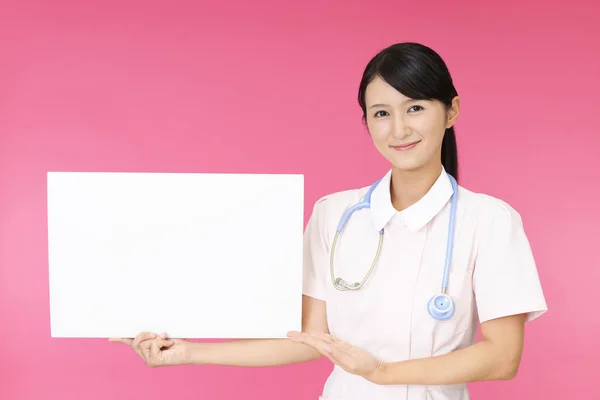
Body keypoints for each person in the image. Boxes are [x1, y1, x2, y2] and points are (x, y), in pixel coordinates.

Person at [110, 42, 547, 400]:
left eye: (415, 108)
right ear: (367, 123)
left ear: (450, 111)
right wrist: (185, 353)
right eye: (381, 113)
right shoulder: (333, 215)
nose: (398, 129)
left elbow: (502, 357)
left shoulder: (490, 221)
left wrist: (380, 372)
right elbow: (306, 339)